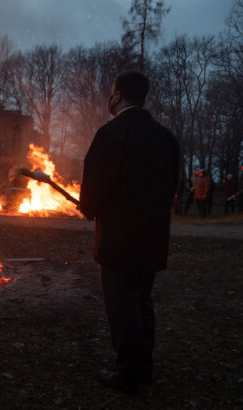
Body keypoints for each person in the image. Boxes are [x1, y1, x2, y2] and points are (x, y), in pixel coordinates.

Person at [79, 71, 180, 393]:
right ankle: (143, 368)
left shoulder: (112, 134)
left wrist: (89, 208)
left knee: (123, 307)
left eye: (111, 93)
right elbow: (170, 188)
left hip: (119, 240)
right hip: (152, 238)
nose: (109, 98)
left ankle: (128, 375)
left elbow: (95, 185)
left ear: (119, 96)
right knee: (142, 303)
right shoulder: (165, 137)